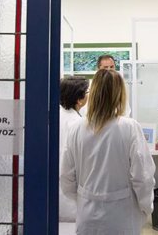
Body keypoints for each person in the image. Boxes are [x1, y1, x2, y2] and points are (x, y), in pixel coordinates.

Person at [60, 69, 155, 234]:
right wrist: (146, 207)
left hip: (87, 215)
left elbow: (66, 177)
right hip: (122, 216)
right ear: (120, 94)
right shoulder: (129, 127)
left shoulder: (76, 128)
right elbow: (143, 177)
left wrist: (84, 198)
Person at [58, 75, 90, 222]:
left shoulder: (57, 115)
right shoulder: (77, 123)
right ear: (79, 99)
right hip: (70, 191)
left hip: (56, 188)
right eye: (87, 92)